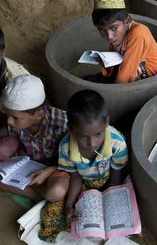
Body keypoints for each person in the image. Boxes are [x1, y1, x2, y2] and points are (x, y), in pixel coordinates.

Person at [0, 75, 70, 202]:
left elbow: (73, 162)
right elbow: (7, 129)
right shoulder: (19, 122)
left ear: (38, 115)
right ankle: (37, 195)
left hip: (55, 169)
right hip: (28, 165)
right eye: (8, 115)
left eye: (15, 117)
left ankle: (37, 190)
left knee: (56, 191)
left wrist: (48, 171)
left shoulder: (64, 123)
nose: (9, 121)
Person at [55, 90, 128, 229]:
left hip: (110, 182)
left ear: (107, 122)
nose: (92, 143)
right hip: (84, 185)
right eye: (83, 136)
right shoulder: (66, 147)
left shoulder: (117, 143)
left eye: (98, 134)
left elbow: (116, 175)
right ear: (71, 128)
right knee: (61, 215)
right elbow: (75, 178)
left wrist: (107, 201)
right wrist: (69, 206)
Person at [90, 0, 157, 83]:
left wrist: (111, 91)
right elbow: (116, 59)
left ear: (127, 21)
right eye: (102, 31)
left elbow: (126, 76)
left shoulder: (138, 34)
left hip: (149, 76)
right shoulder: (117, 35)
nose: (109, 36)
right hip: (128, 65)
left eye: (114, 28)